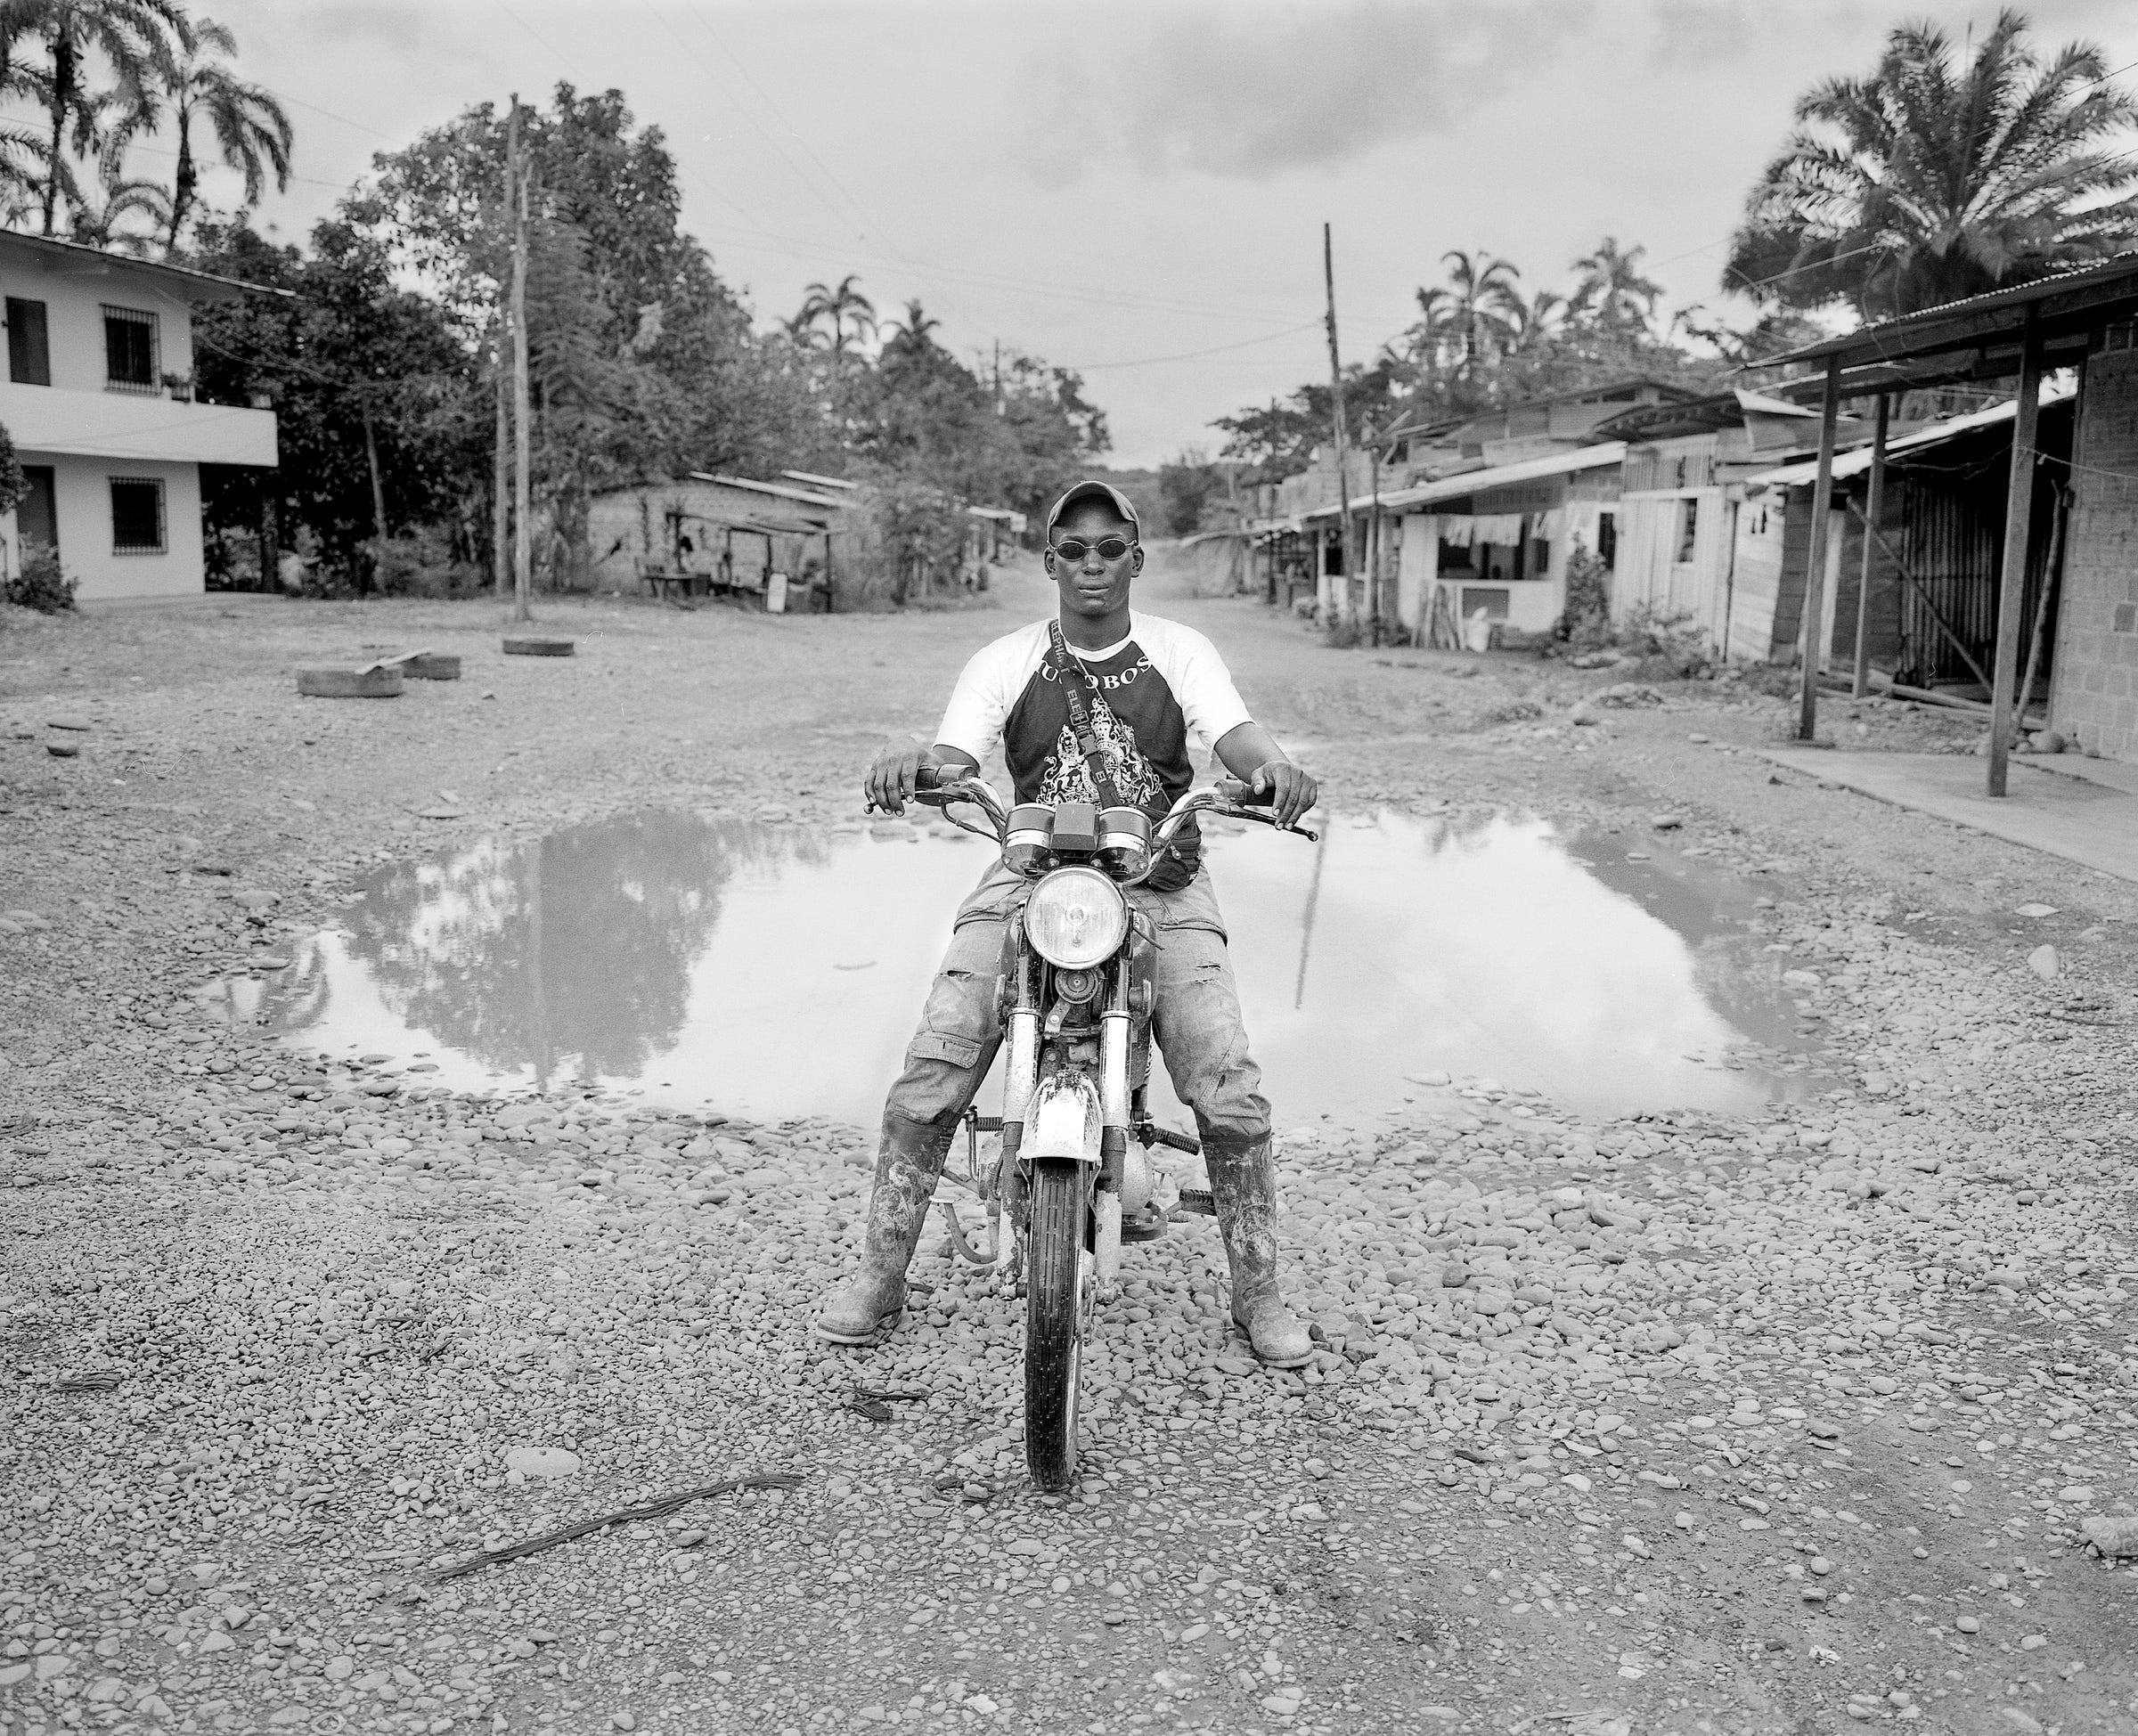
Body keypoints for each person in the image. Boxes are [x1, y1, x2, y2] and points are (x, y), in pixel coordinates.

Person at [816, 479, 1318, 1368]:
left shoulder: (1179, 650)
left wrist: (1275, 768)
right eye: (1075, 550)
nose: (1093, 564)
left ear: (1136, 558)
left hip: (1162, 880)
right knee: (933, 1069)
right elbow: (955, 755)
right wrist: (913, 766)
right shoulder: (1005, 659)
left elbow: (1235, 733)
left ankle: (1259, 1291)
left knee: (1228, 1086)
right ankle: (880, 1272)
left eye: (1110, 548)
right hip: (1031, 879)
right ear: (1050, 562)